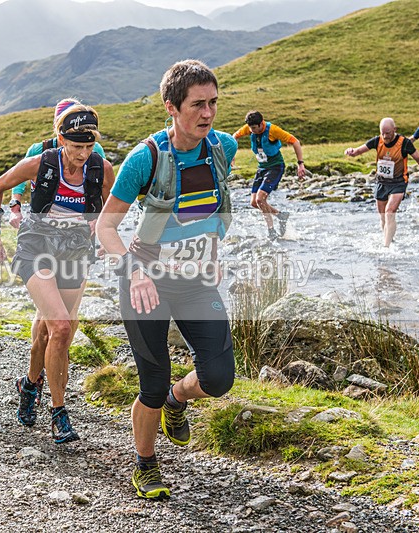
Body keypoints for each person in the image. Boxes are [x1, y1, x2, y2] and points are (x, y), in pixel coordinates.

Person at [97, 59, 236, 500]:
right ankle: (145, 464)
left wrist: (212, 255)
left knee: (218, 378)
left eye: (213, 103)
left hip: (196, 281)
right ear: (171, 108)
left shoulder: (224, 148)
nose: (208, 113)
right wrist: (134, 271)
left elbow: (208, 213)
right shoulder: (146, 158)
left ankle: (178, 400)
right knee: (152, 385)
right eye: (197, 104)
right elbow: (105, 227)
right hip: (147, 281)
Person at [0, 103, 114, 444]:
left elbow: (111, 209)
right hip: (37, 247)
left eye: (89, 146)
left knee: (54, 333)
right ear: (61, 139)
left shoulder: (101, 168)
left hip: (75, 250)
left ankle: (29, 384)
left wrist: (102, 233)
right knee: (60, 326)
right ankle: (59, 414)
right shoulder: (40, 163)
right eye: (76, 147)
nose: (83, 154)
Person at [8, 98, 106, 229]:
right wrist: (15, 208)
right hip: (43, 220)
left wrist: (101, 221)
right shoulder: (38, 150)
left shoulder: (96, 149)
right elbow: (18, 180)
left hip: (83, 223)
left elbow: (104, 184)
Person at [345, 117, 419, 247]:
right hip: (382, 182)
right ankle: (390, 239)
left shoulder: (404, 143)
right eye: (382, 133)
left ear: (394, 129)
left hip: (398, 183)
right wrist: (351, 151)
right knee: (383, 216)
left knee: (390, 212)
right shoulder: (377, 141)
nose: (385, 136)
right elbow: (358, 151)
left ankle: (386, 247)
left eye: (388, 133)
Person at [232, 110, 306, 240]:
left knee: (260, 199)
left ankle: (271, 231)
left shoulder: (273, 130)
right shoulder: (249, 128)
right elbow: (234, 137)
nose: (252, 131)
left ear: (261, 124)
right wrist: (232, 156)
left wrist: (300, 164)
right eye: (250, 128)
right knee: (254, 202)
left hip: (275, 167)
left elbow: (295, 141)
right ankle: (281, 215)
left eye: (254, 128)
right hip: (262, 168)